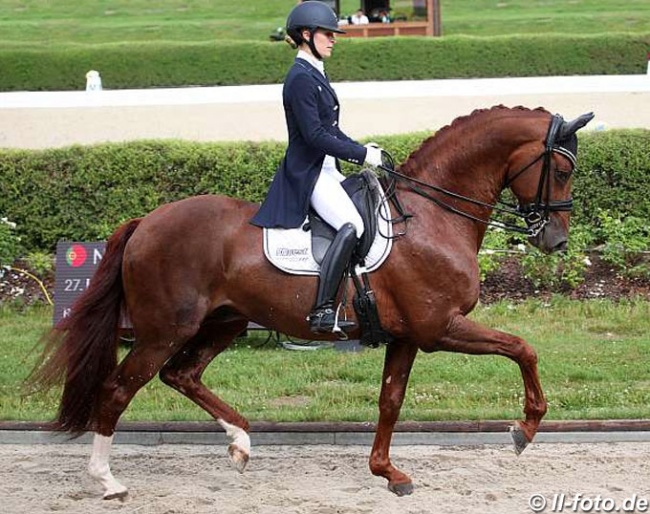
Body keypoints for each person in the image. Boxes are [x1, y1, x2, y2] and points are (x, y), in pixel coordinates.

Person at [250, 1, 384, 335]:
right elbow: (315, 136)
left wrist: (365, 150)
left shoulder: (314, 73)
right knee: (352, 224)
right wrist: (360, 154)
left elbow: (332, 130)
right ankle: (323, 310)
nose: (333, 39)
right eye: (327, 33)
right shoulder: (300, 78)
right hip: (309, 175)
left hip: (327, 170)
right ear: (306, 35)